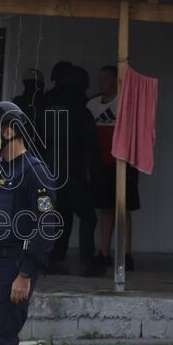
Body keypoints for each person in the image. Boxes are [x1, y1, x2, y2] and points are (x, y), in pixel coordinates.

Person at [0, 101, 58, 345]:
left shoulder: (35, 172)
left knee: (1, 341)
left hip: (14, 268)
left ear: (8, 132)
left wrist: (26, 275)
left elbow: (47, 226)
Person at [44, 63, 98, 275]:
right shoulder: (81, 110)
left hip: (50, 171)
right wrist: (96, 172)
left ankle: (54, 258)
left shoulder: (47, 106)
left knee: (60, 216)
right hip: (74, 171)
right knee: (88, 217)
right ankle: (87, 262)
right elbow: (91, 145)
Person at [86, 65, 139, 272]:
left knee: (123, 208)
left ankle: (126, 253)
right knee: (105, 208)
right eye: (100, 79)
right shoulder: (92, 104)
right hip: (101, 165)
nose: (102, 83)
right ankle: (104, 252)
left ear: (117, 81)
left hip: (123, 164)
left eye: (106, 79)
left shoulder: (125, 104)